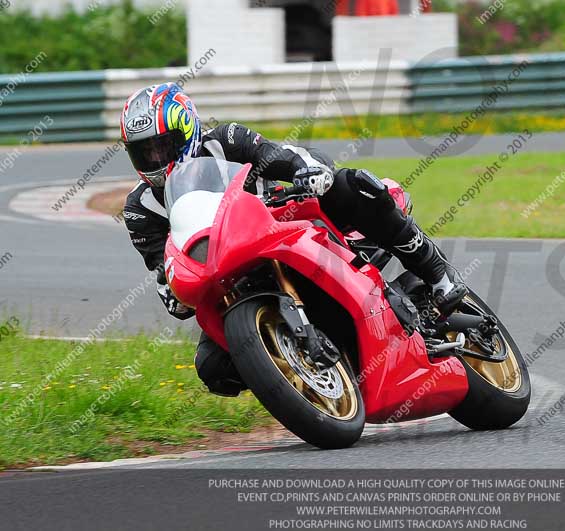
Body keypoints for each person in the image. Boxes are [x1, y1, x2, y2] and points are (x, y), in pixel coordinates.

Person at [120, 82, 466, 397]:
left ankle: (438, 275)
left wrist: (307, 170)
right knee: (213, 368)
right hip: (227, 273)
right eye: (144, 151)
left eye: (162, 146)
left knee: (352, 185)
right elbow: (162, 263)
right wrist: (171, 289)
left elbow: (283, 155)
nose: (155, 159)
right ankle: (296, 379)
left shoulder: (226, 140)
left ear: (187, 130)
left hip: (281, 227)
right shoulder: (140, 208)